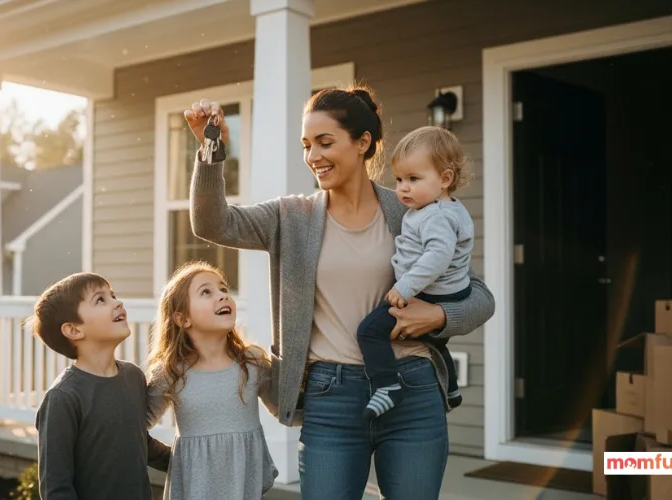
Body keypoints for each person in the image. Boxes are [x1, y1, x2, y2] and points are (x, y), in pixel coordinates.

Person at [186, 85, 495, 499]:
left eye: (325, 142)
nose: (313, 155)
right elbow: (212, 223)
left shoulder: (412, 210)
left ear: (363, 142)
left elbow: (480, 298)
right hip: (330, 398)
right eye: (306, 145)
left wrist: (438, 317)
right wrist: (211, 148)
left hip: (412, 391)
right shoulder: (291, 217)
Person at [357, 125, 474, 420]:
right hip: (449, 290)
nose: (403, 188)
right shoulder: (442, 208)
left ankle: (387, 386)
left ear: (445, 179)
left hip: (430, 292)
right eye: (399, 180)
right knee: (432, 340)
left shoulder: (436, 216)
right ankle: (452, 389)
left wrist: (405, 287)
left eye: (413, 179)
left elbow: (438, 257)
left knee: (369, 331)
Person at [145, 261, 278, 500]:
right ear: (182, 318)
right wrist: (172, 458)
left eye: (223, 289)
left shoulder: (252, 362)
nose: (222, 295)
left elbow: (285, 409)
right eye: (206, 292)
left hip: (243, 491)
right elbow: (135, 427)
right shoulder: (169, 372)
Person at [32, 272, 170, 500]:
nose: (117, 302)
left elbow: (138, 441)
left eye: (113, 295)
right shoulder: (63, 397)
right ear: (74, 330)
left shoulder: (133, 377)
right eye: (100, 299)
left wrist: (185, 460)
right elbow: (56, 487)